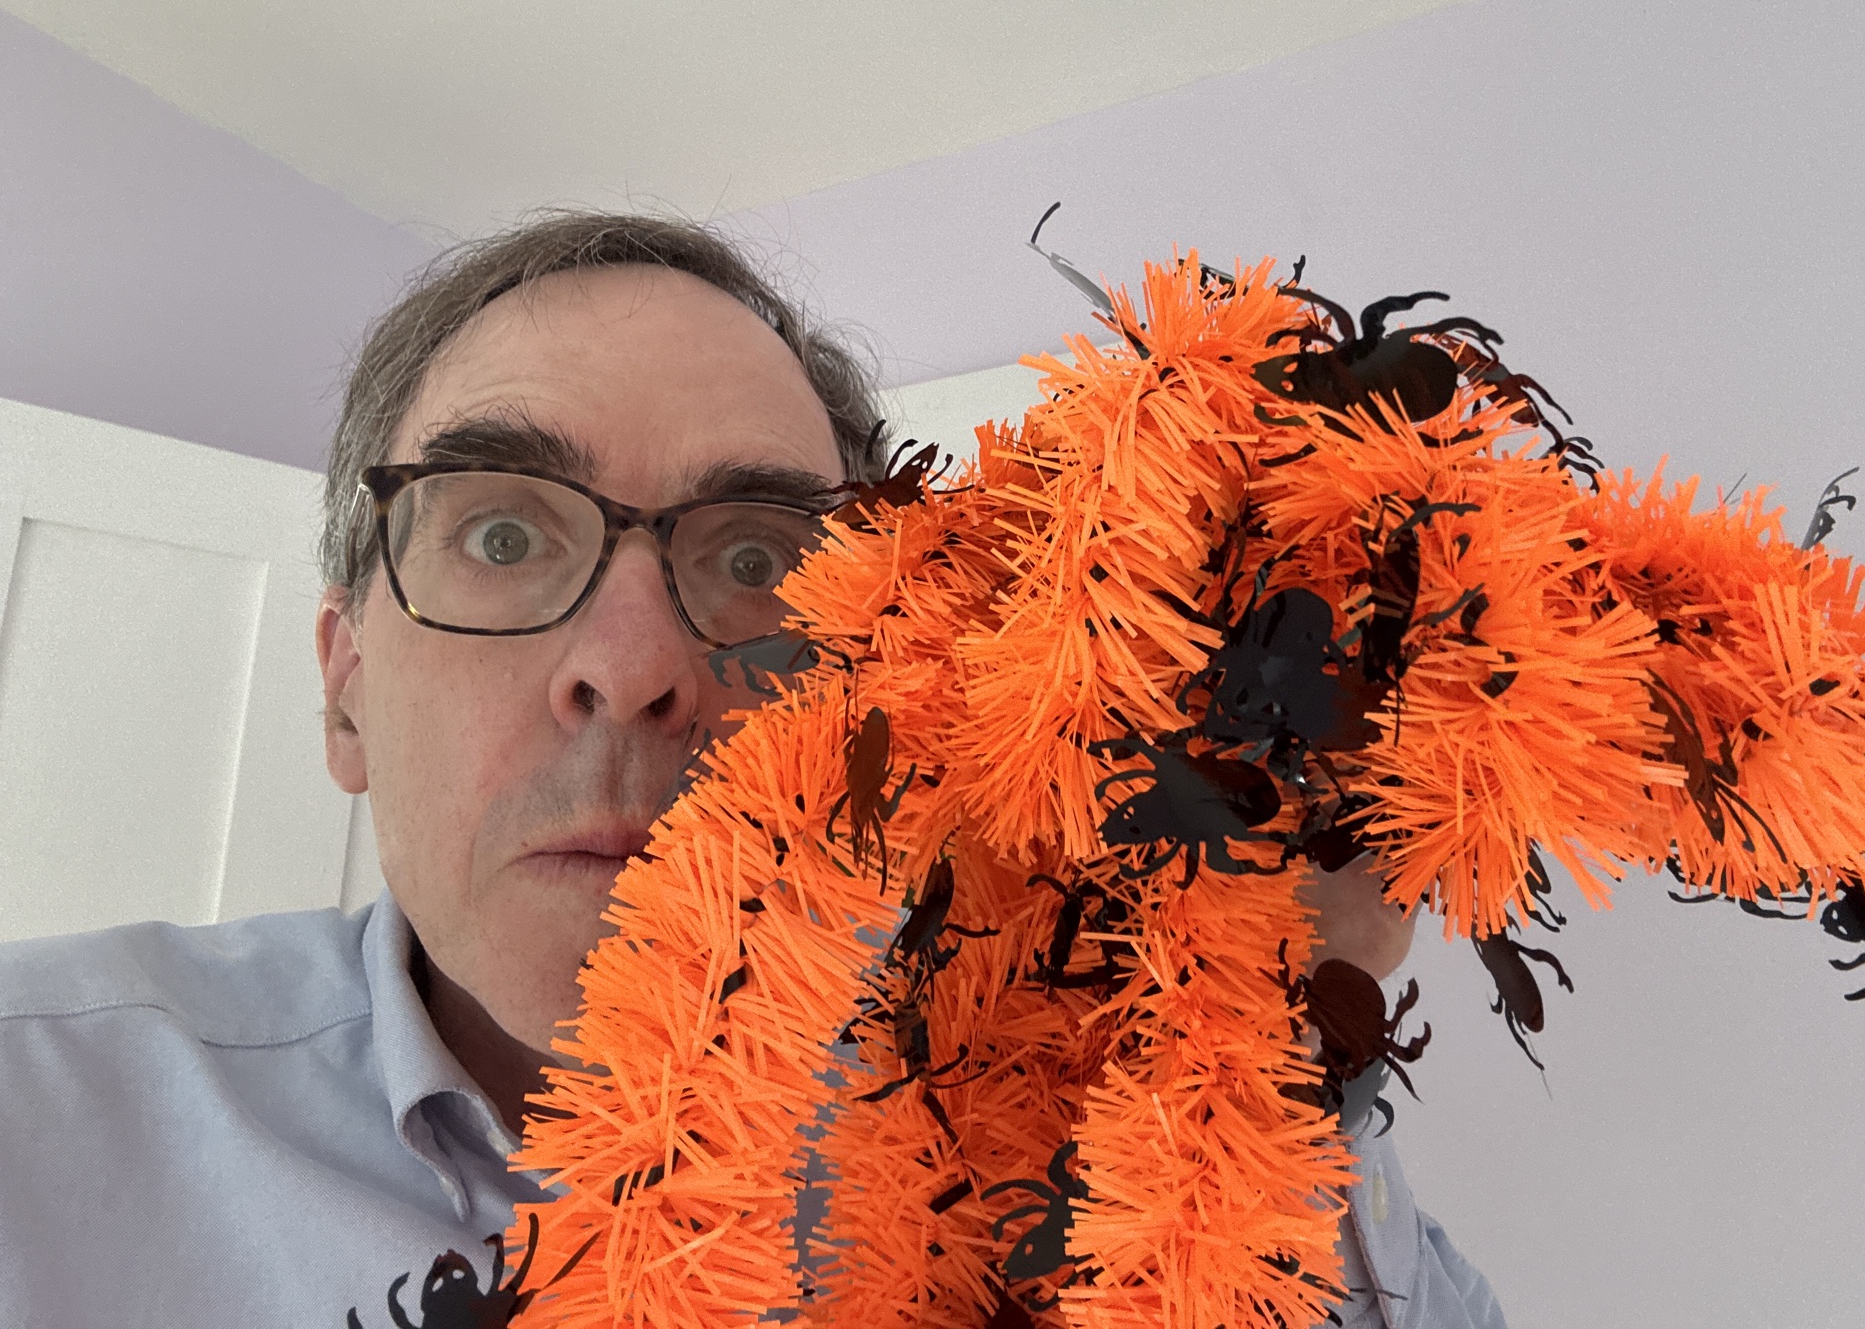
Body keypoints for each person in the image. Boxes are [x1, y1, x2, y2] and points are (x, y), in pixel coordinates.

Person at [0, 211, 1506, 1326]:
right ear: (345, 689)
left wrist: (1281, 1030)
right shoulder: (40, 1112)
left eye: (757, 562)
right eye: (504, 532)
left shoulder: (1040, 1128)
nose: (633, 666)